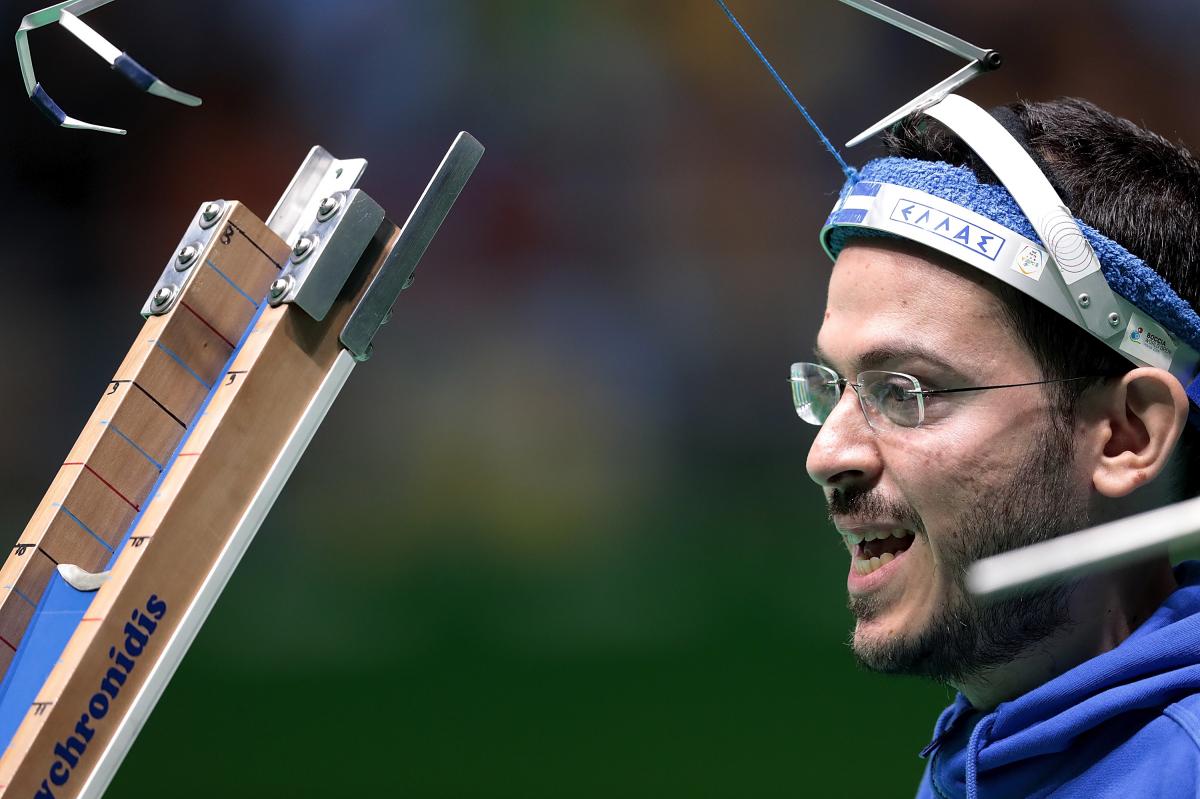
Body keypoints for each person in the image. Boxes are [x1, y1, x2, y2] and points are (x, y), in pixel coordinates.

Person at [798, 98, 1200, 797]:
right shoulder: (985, 757)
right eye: (833, 383)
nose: (828, 454)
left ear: (1127, 434)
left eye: (906, 389)